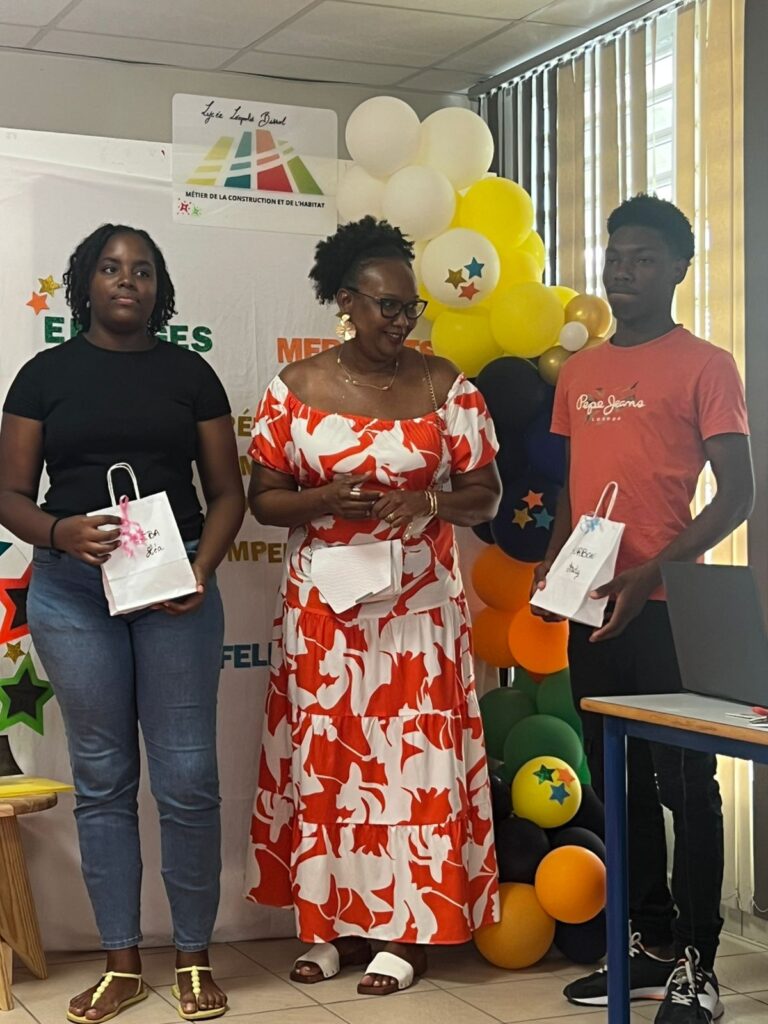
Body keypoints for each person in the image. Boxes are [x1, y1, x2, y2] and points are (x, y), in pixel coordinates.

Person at [244, 216, 502, 995]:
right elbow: (263, 500)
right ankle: (330, 929)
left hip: (419, 610)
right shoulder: (294, 390)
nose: (401, 321)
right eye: (387, 306)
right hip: (325, 616)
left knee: (410, 767)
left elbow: (486, 494)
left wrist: (431, 499)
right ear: (347, 301)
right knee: (330, 764)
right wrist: (325, 497)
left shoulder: (447, 386)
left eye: (410, 307)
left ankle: (406, 933)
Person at [0, 224, 245, 1023]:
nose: (126, 280)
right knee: (103, 779)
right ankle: (121, 963)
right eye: (110, 268)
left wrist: (202, 569)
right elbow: (9, 496)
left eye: (142, 270)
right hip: (73, 592)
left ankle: (194, 956)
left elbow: (228, 493)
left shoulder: (190, 375)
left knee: (188, 779)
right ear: (86, 284)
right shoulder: (43, 376)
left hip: (175, 592)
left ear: (158, 288)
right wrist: (58, 531)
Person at [533, 194, 753, 1024]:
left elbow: (737, 495)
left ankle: (699, 964)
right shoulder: (580, 372)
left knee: (686, 784)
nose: (623, 271)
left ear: (679, 270)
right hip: (594, 609)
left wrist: (651, 570)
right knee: (615, 779)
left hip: (668, 608)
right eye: (615, 257)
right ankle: (649, 947)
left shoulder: (707, 365)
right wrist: (557, 567)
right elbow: (571, 485)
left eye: (644, 259)